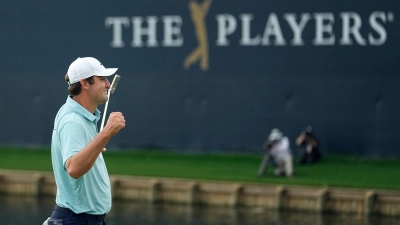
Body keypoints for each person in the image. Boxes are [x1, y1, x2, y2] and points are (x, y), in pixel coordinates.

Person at [46, 57, 126, 225]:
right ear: (85, 83)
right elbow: (74, 168)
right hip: (76, 219)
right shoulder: (73, 120)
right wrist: (106, 133)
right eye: (102, 79)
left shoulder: (82, 116)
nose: (108, 84)